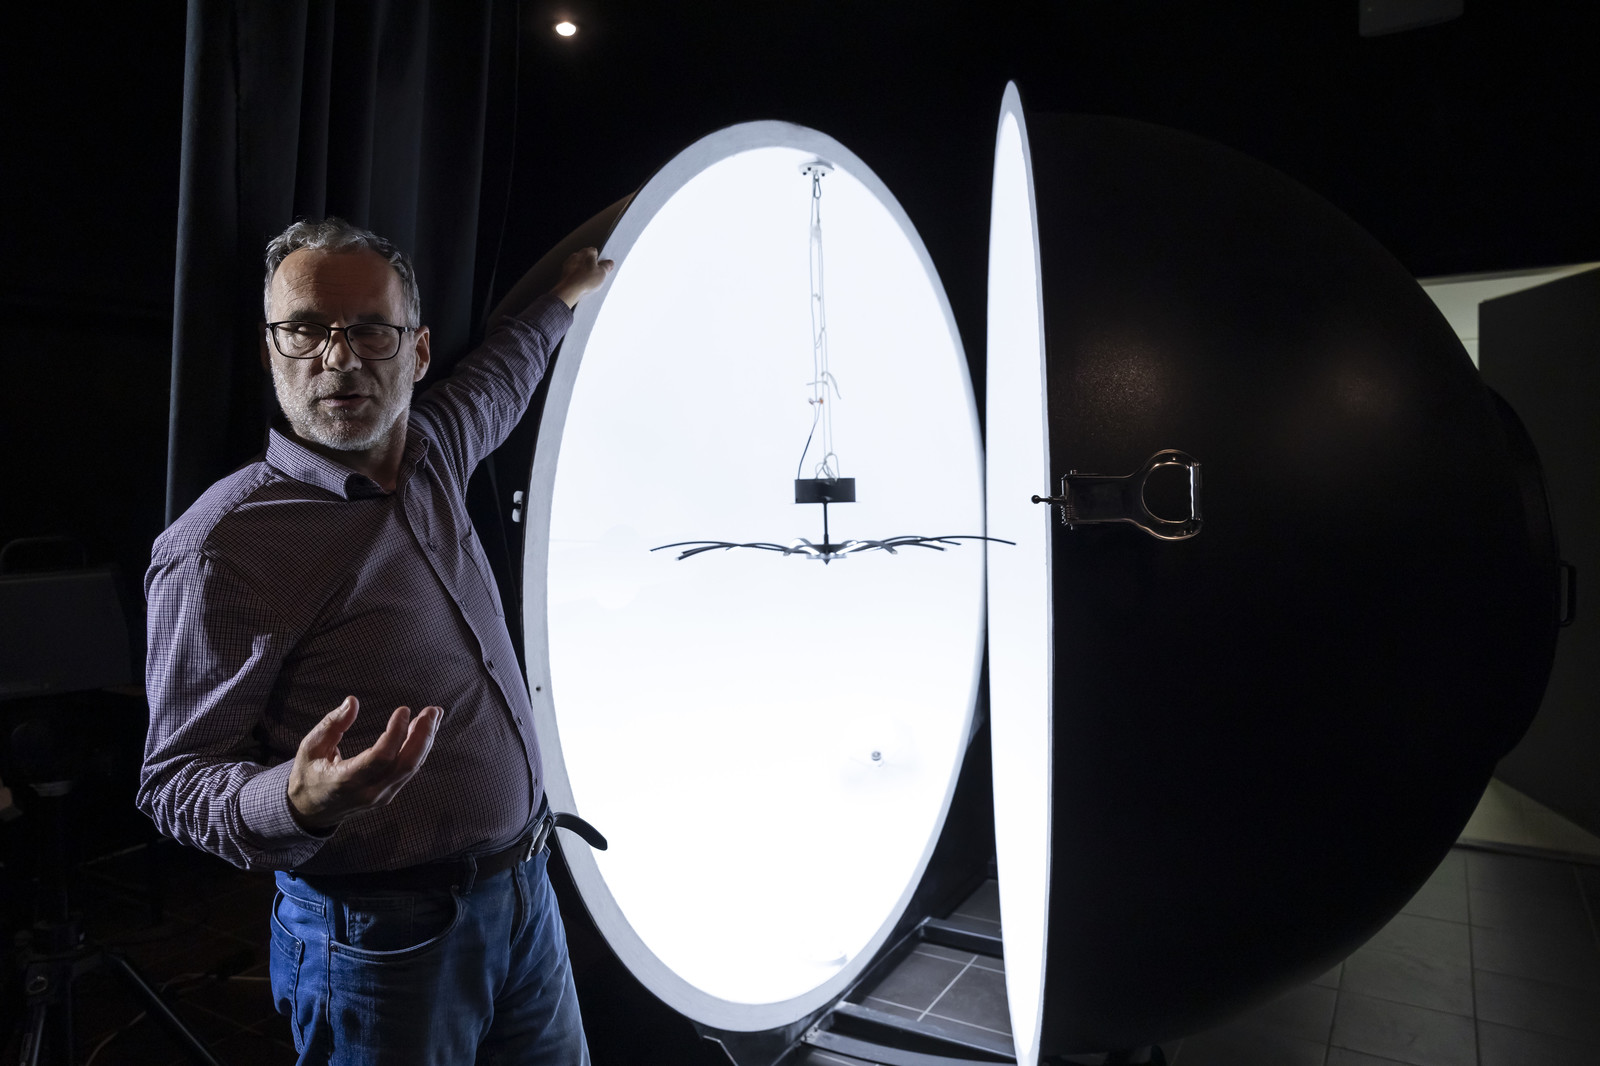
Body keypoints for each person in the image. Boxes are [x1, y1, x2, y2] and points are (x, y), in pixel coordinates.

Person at [138, 217, 613, 1064]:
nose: (338, 357)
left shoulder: (435, 449)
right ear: (270, 350)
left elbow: (503, 373)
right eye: (304, 330)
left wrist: (566, 292)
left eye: (369, 330)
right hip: (379, 943)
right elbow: (175, 781)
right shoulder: (220, 550)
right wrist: (296, 802)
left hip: (524, 895)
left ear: (417, 352)